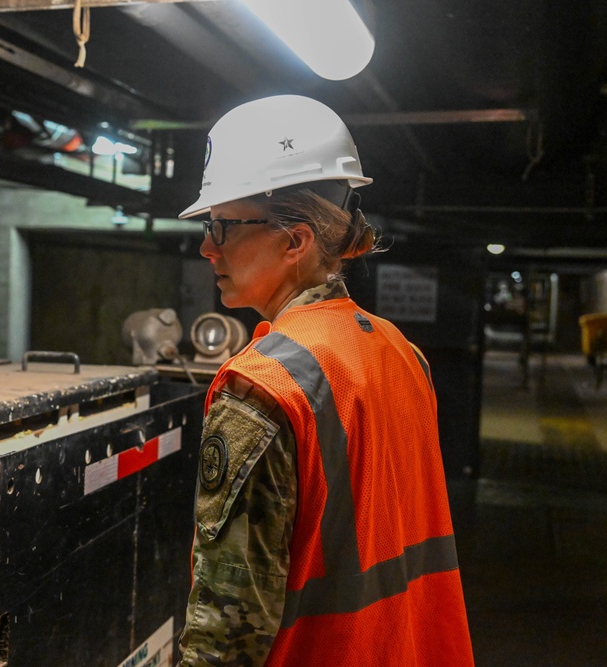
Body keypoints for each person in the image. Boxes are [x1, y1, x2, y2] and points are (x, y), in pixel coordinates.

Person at [176, 95, 474, 666]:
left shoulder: (263, 386)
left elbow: (228, 633)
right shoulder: (401, 352)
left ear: (296, 241)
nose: (205, 246)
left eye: (222, 226)